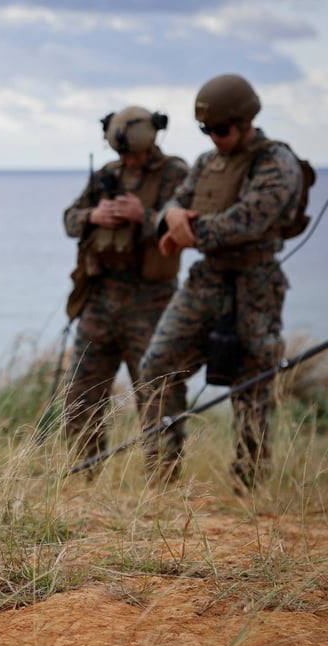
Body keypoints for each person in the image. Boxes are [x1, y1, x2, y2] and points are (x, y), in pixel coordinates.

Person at [139, 74, 304, 489]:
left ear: (246, 120)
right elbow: (178, 201)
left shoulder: (275, 162)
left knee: (250, 386)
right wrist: (173, 217)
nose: (214, 137)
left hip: (255, 283)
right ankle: (161, 474)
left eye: (221, 129)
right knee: (158, 367)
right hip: (205, 281)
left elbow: (248, 221)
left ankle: (248, 485)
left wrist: (185, 231)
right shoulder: (206, 162)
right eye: (206, 130)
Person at [61, 106, 188, 472]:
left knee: (158, 391)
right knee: (83, 391)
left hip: (151, 300)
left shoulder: (175, 173)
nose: (129, 161)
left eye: (134, 153)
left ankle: (163, 479)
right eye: (123, 155)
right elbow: (70, 219)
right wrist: (92, 217)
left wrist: (142, 217)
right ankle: (83, 472)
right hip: (100, 298)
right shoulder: (107, 175)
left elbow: (187, 229)